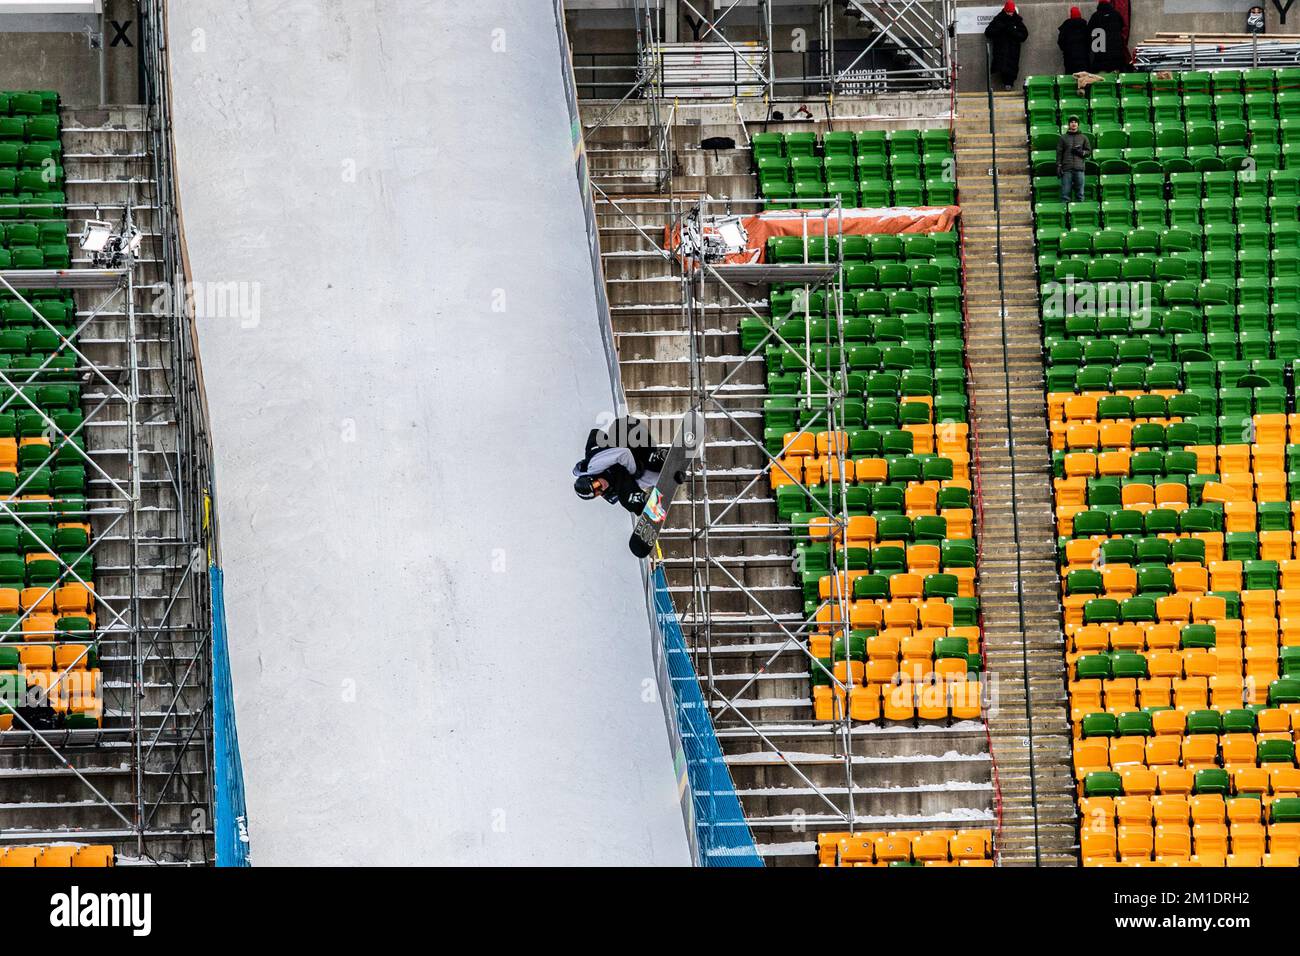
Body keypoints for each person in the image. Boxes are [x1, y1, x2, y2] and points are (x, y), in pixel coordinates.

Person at [572, 414, 667, 514]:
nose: (602, 488)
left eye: (596, 485)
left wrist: (634, 471)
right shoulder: (610, 491)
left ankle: (654, 458)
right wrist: (664, 481)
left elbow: (623, 453)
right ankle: (658, 461)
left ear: (591, 477)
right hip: (641, 441)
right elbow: (635, 480)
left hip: (628, 430)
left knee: (630, 473)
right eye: (598, 492)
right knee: (628, 480)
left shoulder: (594, 466)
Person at [984, 2, 1029, 91]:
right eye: (1008, 12)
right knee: (1003, 66)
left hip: (1013, 50)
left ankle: (1009, 83)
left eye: (1011, 12)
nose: (1010, 14)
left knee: (1012, 67)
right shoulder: (998, 19)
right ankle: (1007, 83)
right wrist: (1001, 28)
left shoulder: (1017, 20)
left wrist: (1012, 31)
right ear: (1005, 10)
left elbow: (1024, 35)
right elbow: (988, 32)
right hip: (1001, 49)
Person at [1057, 115, 1091, 202]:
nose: (1073, 124)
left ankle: (1080, 212)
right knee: (1065, 194)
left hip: (1079, 168)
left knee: (1080, 193)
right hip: (1067, 168)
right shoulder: (1063, 138)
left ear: (1078, 124)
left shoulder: (1083, 137)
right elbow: (1059, 153)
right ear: (1069, 124)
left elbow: (1088, 151)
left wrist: (1081, 152)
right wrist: (1059, 166)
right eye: (1072, 122)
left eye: (1075, 122)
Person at [1088, 0, 1128, 73]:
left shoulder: (1095, 16)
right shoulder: (1116, 14)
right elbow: (1122, 26)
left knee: (1102, 80)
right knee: (1116, 79)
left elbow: (1089, 32)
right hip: (1116, 56)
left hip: (1101, 56)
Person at [1057, 6, 1091, 75]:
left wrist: (1066, 50)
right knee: (1084, 80)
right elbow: (1090, 42)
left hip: (1070, 60)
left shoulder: (1066, 27)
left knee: (1070, 80)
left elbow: (1060, 42)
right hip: (1083, 60)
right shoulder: (1085, 27)